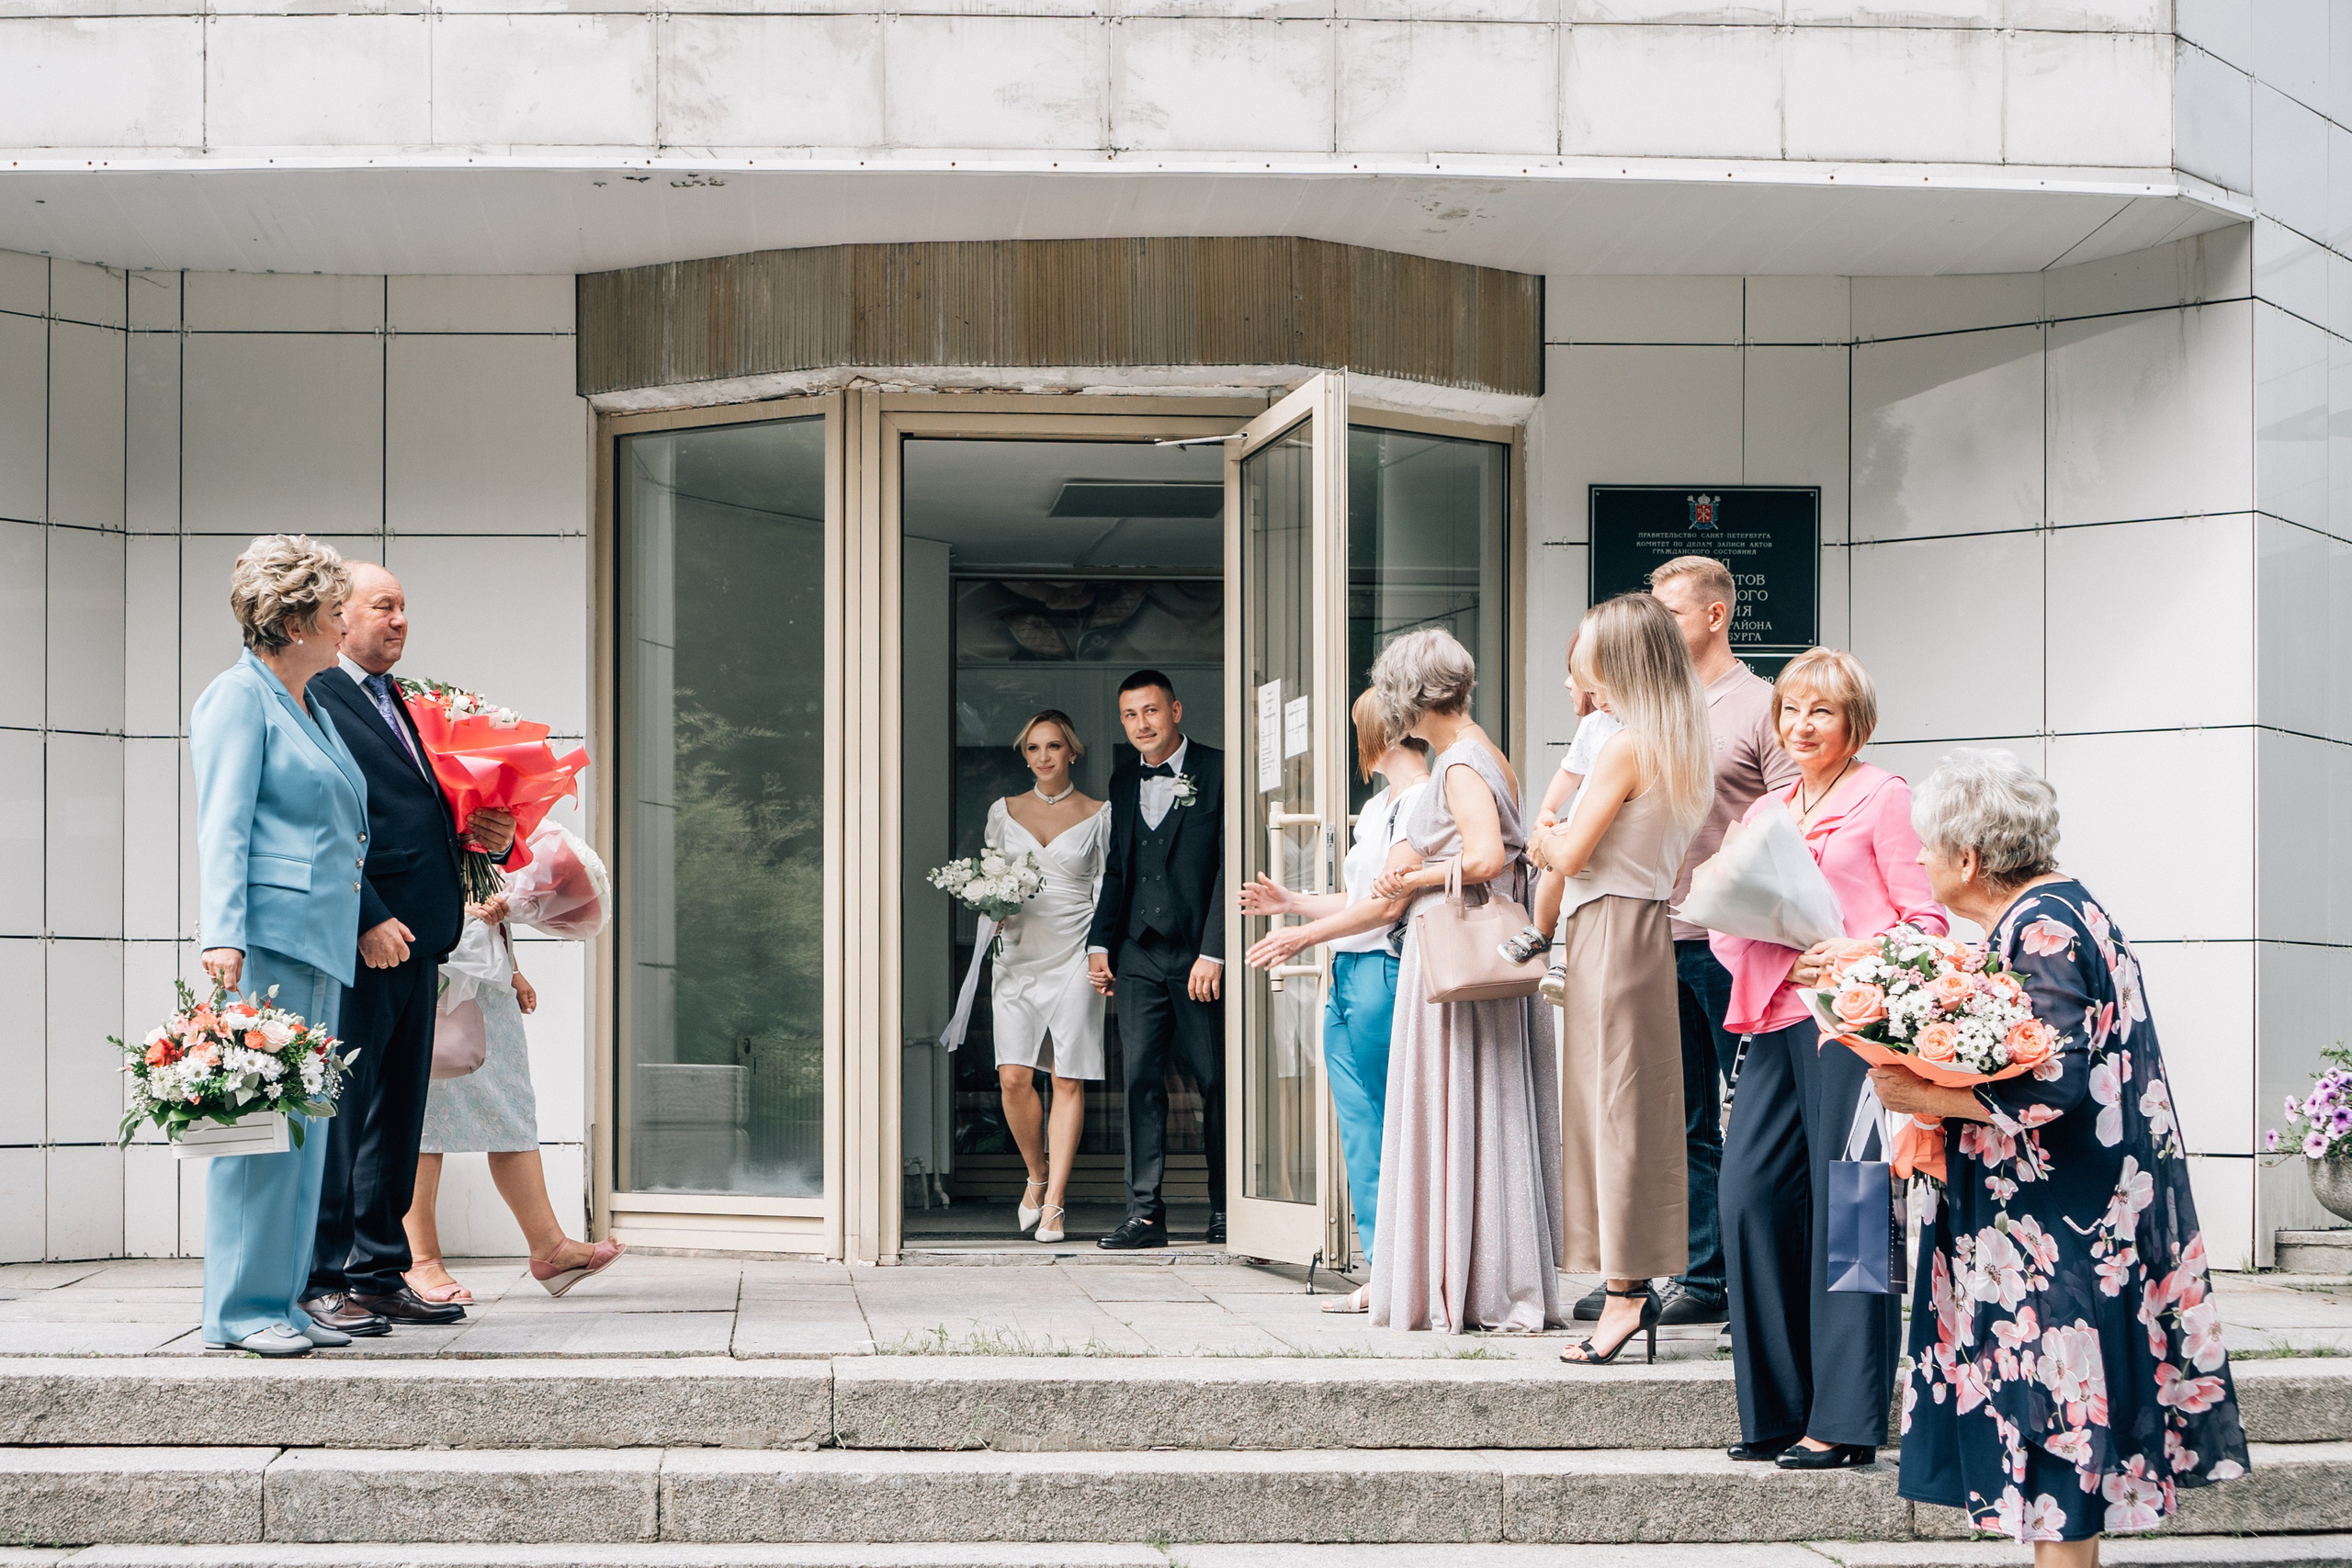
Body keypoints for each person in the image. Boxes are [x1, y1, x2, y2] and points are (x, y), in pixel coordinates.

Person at [1885, 750, 2247, 1557]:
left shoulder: (2040, 928)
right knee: (2063, 1439)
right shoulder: (2066, 907)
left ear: (1968, 859)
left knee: (2057, 1432)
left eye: (1927, 846)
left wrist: (1923, 1093)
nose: (1920, 860)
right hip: (2077, 1216)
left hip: (2054, 1230)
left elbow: (2054, 1081)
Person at [1712, 647, 1945, 1469]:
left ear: (1856, 723)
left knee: (1854, 1210)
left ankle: (1845, 1420)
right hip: (1776, 1019)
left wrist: (1852, 954)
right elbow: (1729, 918)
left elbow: (1926, 922)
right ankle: (1776, 1409)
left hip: (1853, 1029)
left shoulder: (1885, 796)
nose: (1801, 725)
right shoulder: (1767, 807)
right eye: (1790, 710)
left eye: (1822, 711)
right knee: (1748, 1196)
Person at [300, 563, 515, 1336]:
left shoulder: (407, 701)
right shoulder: (316, 694)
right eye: (383, 606)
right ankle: (320, 1277)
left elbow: (429, 809)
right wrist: (367, 915)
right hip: (364, 939)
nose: (399, 620)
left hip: (425, 940)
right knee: (342, 1112)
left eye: (404, 607)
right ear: (340, 617)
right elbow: (321, 821)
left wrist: (492, 833)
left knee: (397, 1116)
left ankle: (380, 1272)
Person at [191, 535, 368, 1357]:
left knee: (304, 1130)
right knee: (260, 1129)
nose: (344, 626)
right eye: (334, 613)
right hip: (266, 940)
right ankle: (237, 1309)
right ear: (295, 623)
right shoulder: (237, 698)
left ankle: (283, 1299)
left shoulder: (306, 703)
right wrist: (222, 934)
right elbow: (222, 824)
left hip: (318, 943)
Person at [1531, 593, 1713, 1365]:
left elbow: (1568, 852)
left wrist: (1547, 834)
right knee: (1630, 1113)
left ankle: (1626, 1295)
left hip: (1610, 926)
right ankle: (1628, 1287)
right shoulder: (1677, 739)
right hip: (1641, 926)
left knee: (1613, 1116)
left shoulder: (1626, 746)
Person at [1364, 628, 1565, 1333]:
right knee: (1486, 1107)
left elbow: (1483, 857)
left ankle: (1472, 1280)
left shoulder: (1457, 762)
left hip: (1456, 950)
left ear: (1410, 696)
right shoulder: (1484, 751)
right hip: (1482, 948)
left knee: (1460, 1101)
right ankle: (1486, 1272)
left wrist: (1411, 875)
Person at [1631, 554, 1803, 1330]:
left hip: (1734, 944)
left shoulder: (1763, 706)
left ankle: (1760, 1280)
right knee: (1685, 1116)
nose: (1658, 626)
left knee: (1755, 1114)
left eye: (1669, 612)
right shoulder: (1652, 707)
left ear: (1714, 614)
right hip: (1658, 934)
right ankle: (1703, 1276)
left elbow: (1792, 823)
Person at [1238, 690, 1429, 1311]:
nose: (1355, 741)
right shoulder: (1376, 807)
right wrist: (1292, 903)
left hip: (1384, 972)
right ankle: (1384, 1271)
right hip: (1347, 975)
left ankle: (1415, 1268)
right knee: (1360, 1129)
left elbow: (1388, 907)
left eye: (1357, 727)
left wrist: (1303, 936)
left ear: (1381, 732)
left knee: (1395, 1124)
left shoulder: (1423, 800)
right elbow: (1356, 900)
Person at [401, 890, 626, 1303]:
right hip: (429, 970)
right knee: (421, 1121)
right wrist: (453, 910)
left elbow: (484, 890)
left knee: (511, 1113)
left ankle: (551, 1248)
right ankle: (420, 1261)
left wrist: (513, 968)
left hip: (487, 979)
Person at [1086, 671, 1227, 1250]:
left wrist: (1214, 951)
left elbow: (1230, 867)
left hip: (1198, 955)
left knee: (1215, 1081)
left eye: (1150, 711)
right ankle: (1144, 1215)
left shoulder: (1219, 770)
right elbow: (1119, 867)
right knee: (1140, 1080)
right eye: (1130, 715)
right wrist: (1099, 943)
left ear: (1175, 710)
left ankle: (1228, 1209)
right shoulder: (1124, 780)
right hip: (1138, 953)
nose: (1141, 724)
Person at [987, 711, 1112, 1247]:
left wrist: (1102, 952)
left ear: (1072, 752)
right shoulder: (1003, 811)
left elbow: (1108, 888)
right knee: (1013, 1077)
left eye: (1054, 746)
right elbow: (989, 874)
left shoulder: (1100, 814)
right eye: (1034, 748)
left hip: (1076, 952)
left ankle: (1055, 1202)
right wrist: (987, 905)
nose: (1043, 757)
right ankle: (1036, 1173)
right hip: (1016, 953)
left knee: (1067, 1077)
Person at [1504, 630, 1621, 1003]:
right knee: (1555, 868)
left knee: (1593, 892)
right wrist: (1548, 811)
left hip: (1616, 830)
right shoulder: (1594, 725)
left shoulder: (1637, 731)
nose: (1573, 685)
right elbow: (1570, 772)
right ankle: (1541, 932)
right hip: (1584, 822)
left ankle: (1569, 959)